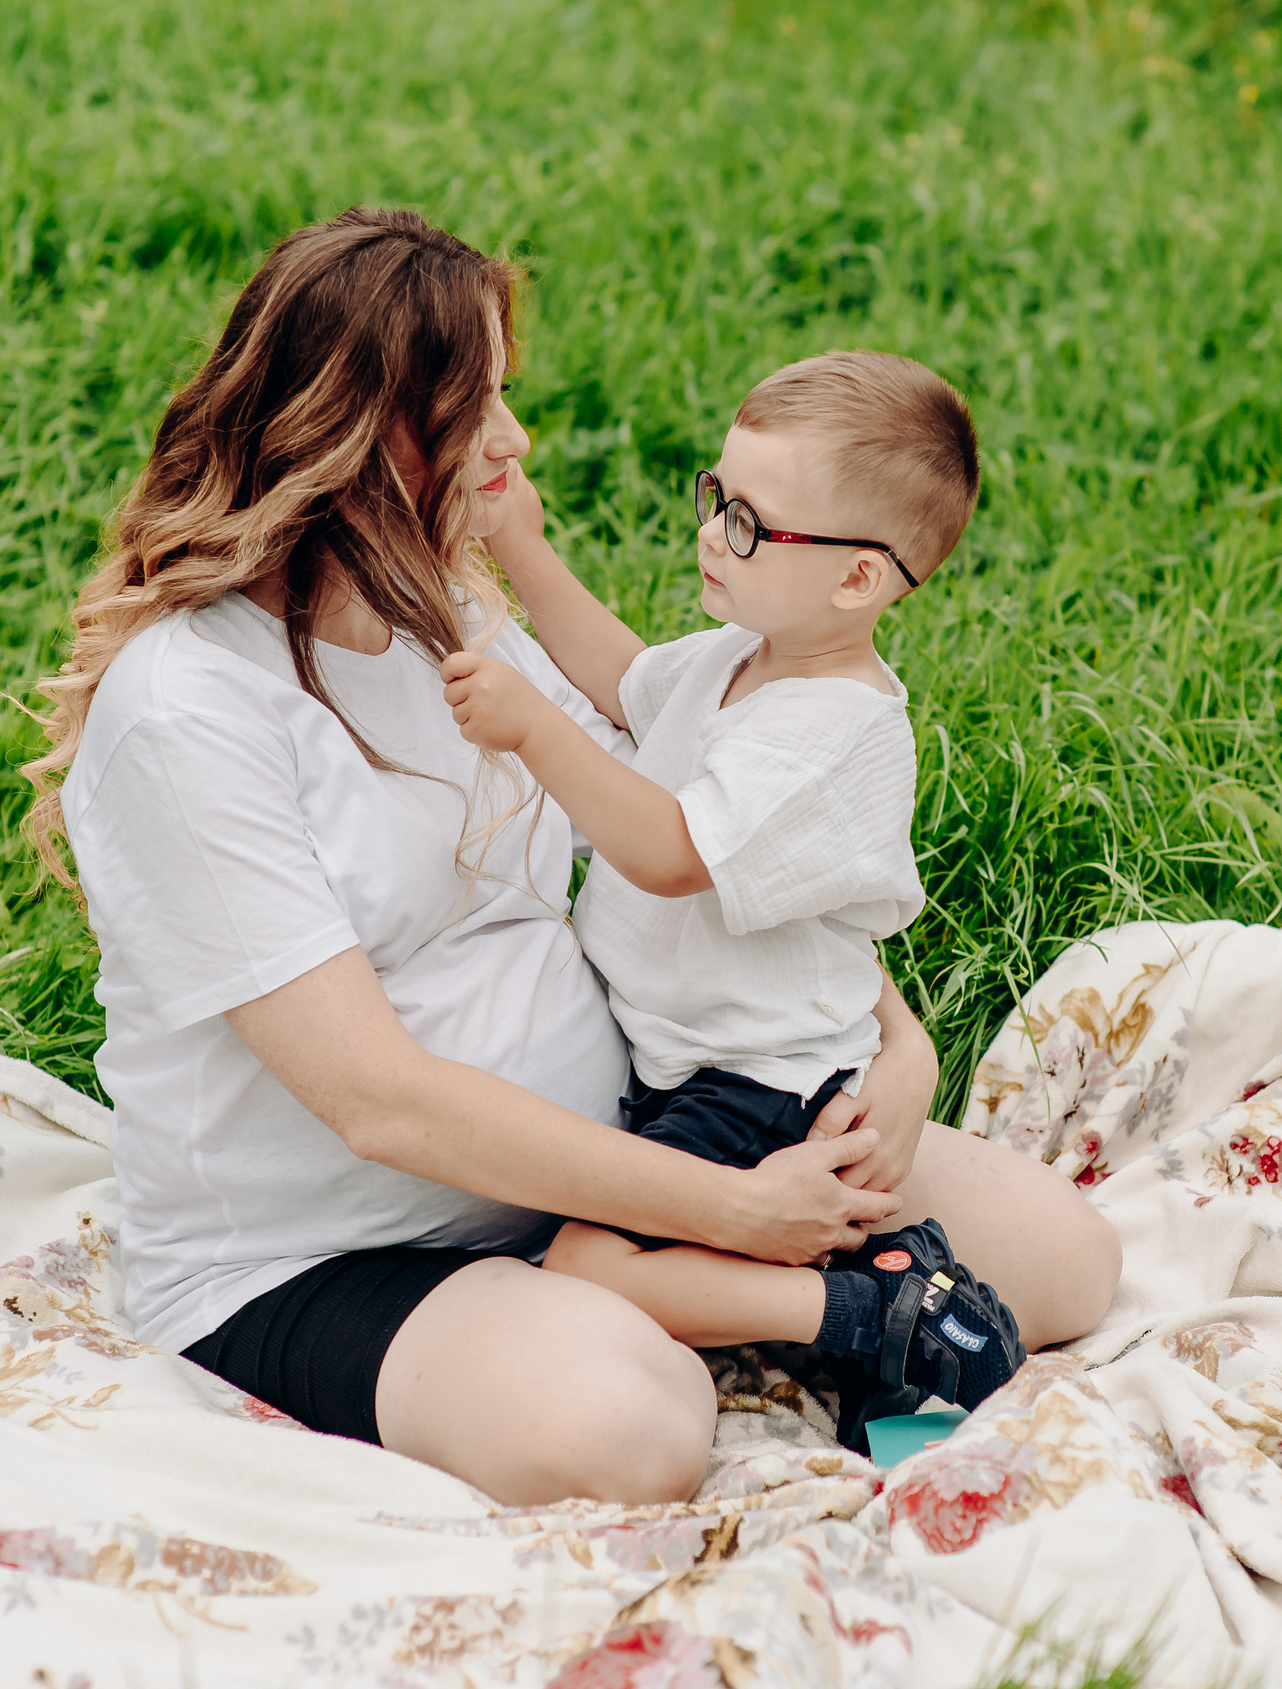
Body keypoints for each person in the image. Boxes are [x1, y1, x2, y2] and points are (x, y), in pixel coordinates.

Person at [22, 206, 1119, 1508]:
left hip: (643, 1130)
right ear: (380, 439)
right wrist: (738, 1215)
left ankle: (725, 1300)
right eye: (482, 406)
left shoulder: (444, 608)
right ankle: (802, 1318)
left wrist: (899, 1048)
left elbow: (708, 835)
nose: (516, 441)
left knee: (1068, 1262)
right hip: (334, 1250)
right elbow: (381, 1102)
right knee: (629, 1428)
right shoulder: (190, 710)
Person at [439, 352, 1028, 1442]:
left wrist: (531, 726)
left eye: (749, 522)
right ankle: (892, 1315)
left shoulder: (831, 730)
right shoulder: (741, 657)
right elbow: (624, 683)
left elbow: (669, 849)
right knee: (622, 1250)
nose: (713, 532)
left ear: (857, 581)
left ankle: (871, 1312)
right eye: (716, 496)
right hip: (707, 1055)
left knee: (584, 1265)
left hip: (756, 1078)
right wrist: (517, 537)